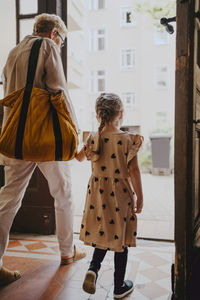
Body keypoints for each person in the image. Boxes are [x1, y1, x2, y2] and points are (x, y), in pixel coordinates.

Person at [0, 13, 86, 286]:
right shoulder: (46, 46)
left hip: (16, 137)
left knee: (9, 200)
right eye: (61, 41)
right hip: (45, 136)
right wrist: (74, 132)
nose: (59, 47)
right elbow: (59, 92)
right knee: (63, 193)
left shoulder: (13, 52)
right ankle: (66, 252)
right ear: (53, 34)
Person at [75, 93, 144, 299]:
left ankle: (93, 268)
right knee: (119, 238)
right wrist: (140, 197)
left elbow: (78, 158)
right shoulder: (128, 140)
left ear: (98, 115)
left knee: (104, 232)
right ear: (120, 114)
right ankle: (118, 286)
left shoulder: (93, 138)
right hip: (121, 195)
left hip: (98, 195)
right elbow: (135, 171)